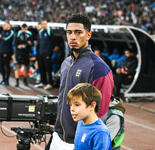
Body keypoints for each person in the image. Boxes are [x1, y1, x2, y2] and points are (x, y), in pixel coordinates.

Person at [46, 13, 114, 150]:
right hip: (58, 137)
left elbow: (100, 111)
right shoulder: (66, 63)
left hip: (78, 142)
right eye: (69, 32)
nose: (73, 37)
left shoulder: (99, 68)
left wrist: (83, 140)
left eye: (78, 32)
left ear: (88, 35)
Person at [67, 83, 112, 150]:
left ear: (92, 106)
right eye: (71, 105)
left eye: (77, 105)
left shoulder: (100, 132)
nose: (72, 109)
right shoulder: (80, 122)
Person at [34, 19, 56, 90]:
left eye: (45, 24)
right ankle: (43, 82)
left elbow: (53, 41)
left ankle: (50, 83)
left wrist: (50, 50)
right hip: (40, 53)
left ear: (47, 24)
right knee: (41, 68)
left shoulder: (49, 31)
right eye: (42, 24)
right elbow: (38, 43)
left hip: (47, 53)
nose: (43, 25)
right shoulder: (40, 32)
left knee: (48, 69)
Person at [0, 21, 14, 85]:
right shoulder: (3, 32)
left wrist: (2, 38)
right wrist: (1, 38)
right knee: (1, 65)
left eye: (5, 25)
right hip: (1, 50)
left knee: (7, 65)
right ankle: (3, 79)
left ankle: (7, 80)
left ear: (9, 26)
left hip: (7, 51)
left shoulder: (11, 32)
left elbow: (6, 40)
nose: (3, 26)